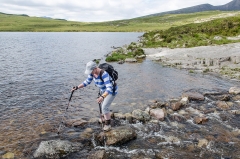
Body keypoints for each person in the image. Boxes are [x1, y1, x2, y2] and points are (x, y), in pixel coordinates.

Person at [73, 61, 118, 131]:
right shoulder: (92, 73)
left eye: (91, 71)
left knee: (104, 107)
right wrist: (77, 87)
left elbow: (109, 87)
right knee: (102, 105)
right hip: (103, 90)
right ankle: (104, 117)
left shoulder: (104, 74)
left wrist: (102, 97)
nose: (90, 73)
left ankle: (108, 124)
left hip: (111, 91)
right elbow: (86, 82)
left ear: (95, 68)